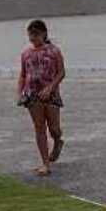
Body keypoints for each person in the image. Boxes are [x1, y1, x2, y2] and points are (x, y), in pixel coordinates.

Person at [17, 19, 66, 176]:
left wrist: (50, 87)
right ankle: (45, 163)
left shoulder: (54, 51)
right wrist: (20, 93)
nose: (33, 38)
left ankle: (58, 141)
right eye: (30, 35)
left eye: (36, 35)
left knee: (54, 128)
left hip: (50, 95)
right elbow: (23, 75)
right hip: (32, 95)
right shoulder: (26, 53)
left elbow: (61, 72)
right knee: (39, 128)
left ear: (44, 34)